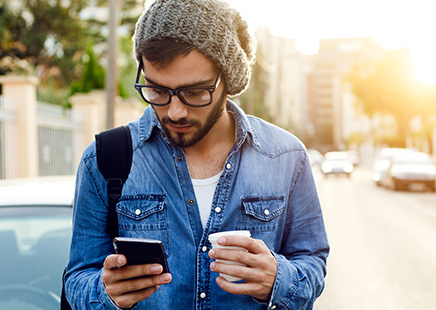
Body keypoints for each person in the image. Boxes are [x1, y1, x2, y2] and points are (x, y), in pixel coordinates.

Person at [64, 0, 330, 309]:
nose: (174, 111)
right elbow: (77, 278)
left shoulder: (285, 156)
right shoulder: (103, 159)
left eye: (194, 92)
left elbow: (312, 261)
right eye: (157, 90)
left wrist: (278, 279)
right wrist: (104, 293)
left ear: (228, 80)